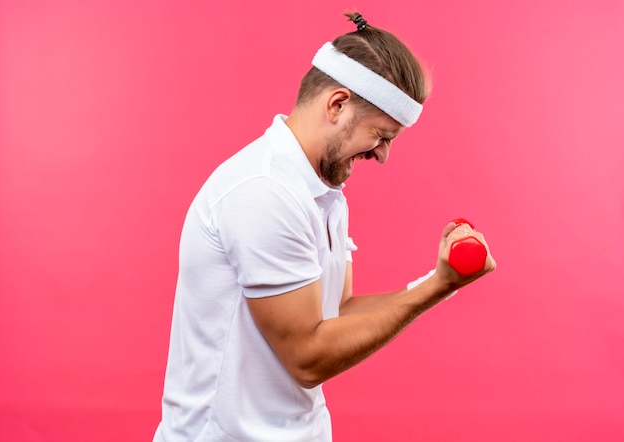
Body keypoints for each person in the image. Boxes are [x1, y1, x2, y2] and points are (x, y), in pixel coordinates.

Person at [153, 11, 495, 442]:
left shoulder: (323, 190)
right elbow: (308, 357)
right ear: (337, 104)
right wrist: (437, 290)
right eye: (381, 134)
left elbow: (337, 313)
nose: (383, 155)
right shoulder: (265, 192)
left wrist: (439, 278)